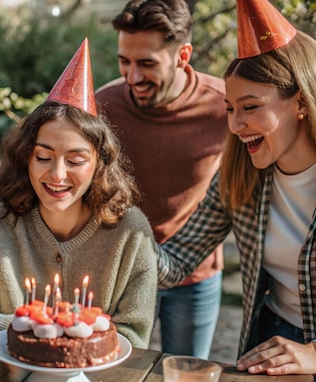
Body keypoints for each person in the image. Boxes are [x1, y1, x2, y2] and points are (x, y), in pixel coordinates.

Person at [156, 0, 316, 382]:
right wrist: (117, 232)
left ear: (301, 101)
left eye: (250, 107)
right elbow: (178, 258)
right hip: (269, 341)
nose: (235, 125)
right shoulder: (240, 175)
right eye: (231, 108)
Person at [0, 39, 158, 349]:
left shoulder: (131, 232)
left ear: (100, 163)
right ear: (25, 158)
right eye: (44, 157)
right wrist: (46, 330)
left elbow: (132, 336)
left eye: (75, 160)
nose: (57, 175)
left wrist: (55, 332)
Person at [95, 0, 228, 358]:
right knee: (111, 374)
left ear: (183, 55)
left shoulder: (226, 107)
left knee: (183, 377)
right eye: (125, 61)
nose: (132, 77)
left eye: (147, 64)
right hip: (120, 273)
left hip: (193, 276)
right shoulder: (102, 106)